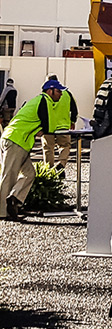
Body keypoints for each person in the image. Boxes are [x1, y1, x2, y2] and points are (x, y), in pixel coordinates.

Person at [0, 79, 65, 221]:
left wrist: (40, 130)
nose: (60, 94)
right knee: (8, 176)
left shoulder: (39, 100)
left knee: (29, 174)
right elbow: (49, 127)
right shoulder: (45, 100)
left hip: (16, 140)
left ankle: (14, 199)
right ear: (50, 91)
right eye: (58, 91)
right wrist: (43, 130)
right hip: (16, 140)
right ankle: (3, 213)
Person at [41, 75, 78, 176]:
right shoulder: (67, 93)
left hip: (48, 127)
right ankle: (61, 164)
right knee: (65, 146)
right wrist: (73, 121)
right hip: (63, 126)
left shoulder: (45, 96)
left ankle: (49, 171)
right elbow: (74, 109)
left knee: (48, 148)